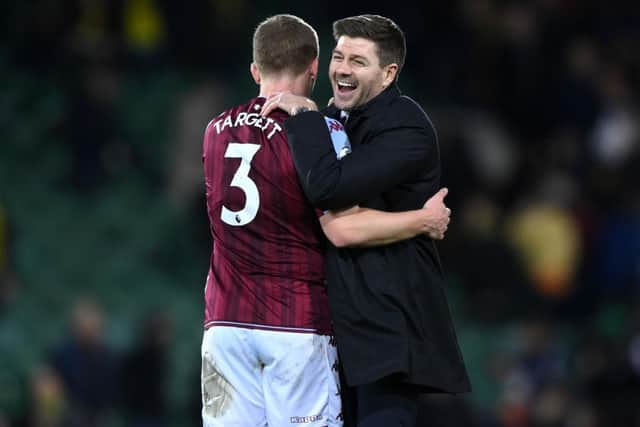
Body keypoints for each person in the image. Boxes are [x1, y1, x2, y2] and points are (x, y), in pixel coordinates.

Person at [201, 14, 453, 427]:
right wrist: (422, 220)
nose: (344, 69)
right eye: (339, 58)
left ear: (254, 69)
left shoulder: (215, 130)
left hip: (225, 322)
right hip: (295, 321)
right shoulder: (322, 130)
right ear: (315, 68)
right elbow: (340, 227)